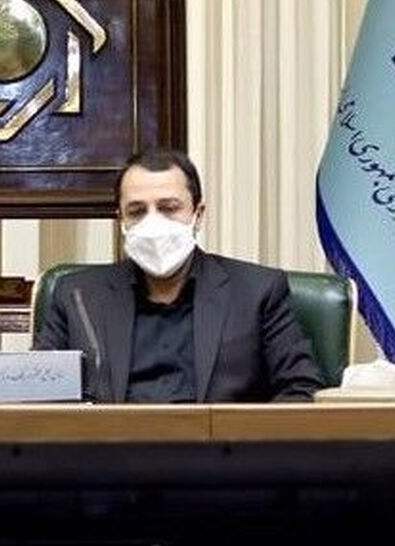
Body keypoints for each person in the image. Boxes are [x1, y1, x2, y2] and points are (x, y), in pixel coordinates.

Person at [34, 148, 324, 403]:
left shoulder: (258, 291)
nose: (153, 222)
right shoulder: (76, 296)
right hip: (110, 446)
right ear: (121, 220)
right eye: (137, 211)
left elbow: (300, 389)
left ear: (198, 214)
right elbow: (39, 394)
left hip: (221, 446)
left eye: (168, 208)